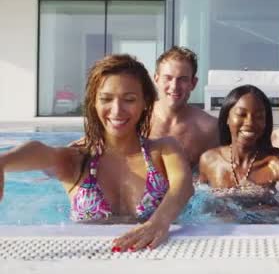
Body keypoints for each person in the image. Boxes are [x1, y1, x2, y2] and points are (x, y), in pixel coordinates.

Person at [0, 54, 193, 251]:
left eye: (129, 99)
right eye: (106, 99)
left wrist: (159, 222)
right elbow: (41, 151)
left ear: (145, 102)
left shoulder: (164, 150)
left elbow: (183, 186)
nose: (117, 110)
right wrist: (4, 161)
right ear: (94, 102)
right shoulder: (77, 159)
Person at [199, 85, 279, 193]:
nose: (250, 123)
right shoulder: (209, 160)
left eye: (259, 116)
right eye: (241, 114)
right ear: (226, 118)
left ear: (266, 122)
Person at [150, 46, 219, 168]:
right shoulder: (137, 119)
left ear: (193, 83)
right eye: (168, 78)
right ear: (156, 79)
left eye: (183, 79)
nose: (174, 86)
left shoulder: (209, 128)